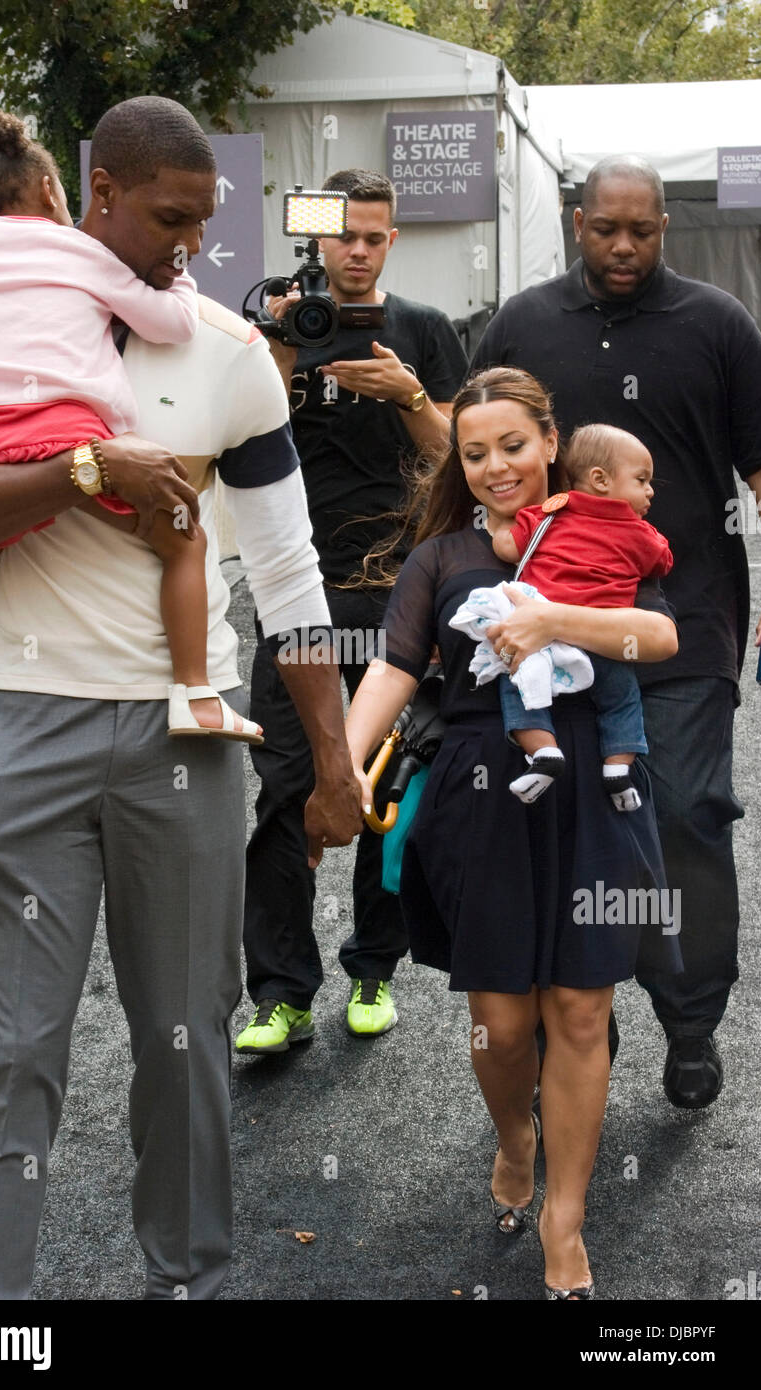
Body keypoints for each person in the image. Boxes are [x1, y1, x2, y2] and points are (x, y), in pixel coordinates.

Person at [0, 95, 362, 1300]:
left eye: (204, 226)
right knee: (15, 1052)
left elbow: (287, 568)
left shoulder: (226, 351)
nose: (188, 248)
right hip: (32, 725)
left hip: (189, 734)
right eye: (168, 220)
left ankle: (188, 1285)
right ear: (93, 194)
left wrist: (333, 755)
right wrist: (82, 466)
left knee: (186, 1044)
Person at [345, 368, 681, 1299]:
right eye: (475, 451)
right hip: (482, 796)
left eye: (514, 446)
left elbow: (656, 640)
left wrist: (547, 617)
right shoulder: (443, 557)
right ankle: (514, 1136)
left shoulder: (599, 527)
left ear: (550, 442)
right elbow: (393, 670)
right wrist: (339, 763)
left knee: (579, 1009)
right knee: (500, 1024)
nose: (497, 466)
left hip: (596, 790)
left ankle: (564, 1219)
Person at [470, 155, 761, 1110]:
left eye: (642, 230)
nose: (625, 246)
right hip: (548, 628)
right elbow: (482, 451)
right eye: (606, 229)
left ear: (663, 229)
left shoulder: (718, 325)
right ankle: (571, 1040)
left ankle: (689, 1024)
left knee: (680, 816)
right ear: (575, 221)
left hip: (685, 627)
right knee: (559, 821)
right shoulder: (521, 324)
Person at [0, 112, 259, 751]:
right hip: (71, 438)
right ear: (52, 193)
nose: (190, 243)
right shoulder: (79, 252)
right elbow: (168, 324)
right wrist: (184, 288)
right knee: (183, 540)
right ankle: (195, 693)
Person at [237, 168, 468, 1053]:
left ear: (392, 241)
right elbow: (237, 436)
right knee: (283, 787)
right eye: (344, 237)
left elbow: (459, 457)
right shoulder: (281, 327)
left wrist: (408, 393)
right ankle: (280, 994)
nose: (358, 252)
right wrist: (284, 351)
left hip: (397, 594)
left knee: (382, 786)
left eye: (374, 237)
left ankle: (372, 969)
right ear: (319, 241)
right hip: (295, 587)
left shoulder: (425, 331)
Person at [478, 423, 672, 809]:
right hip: (602, 639)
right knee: (622, 700)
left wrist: (497, 527)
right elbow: (662, 562)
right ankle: (618, 767)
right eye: (642, 480)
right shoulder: (638, 532)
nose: (650, 491)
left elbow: (508, 547)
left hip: (541, 644)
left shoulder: (549, 516)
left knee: (516, 687)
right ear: (600, 479)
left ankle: (544, 751)